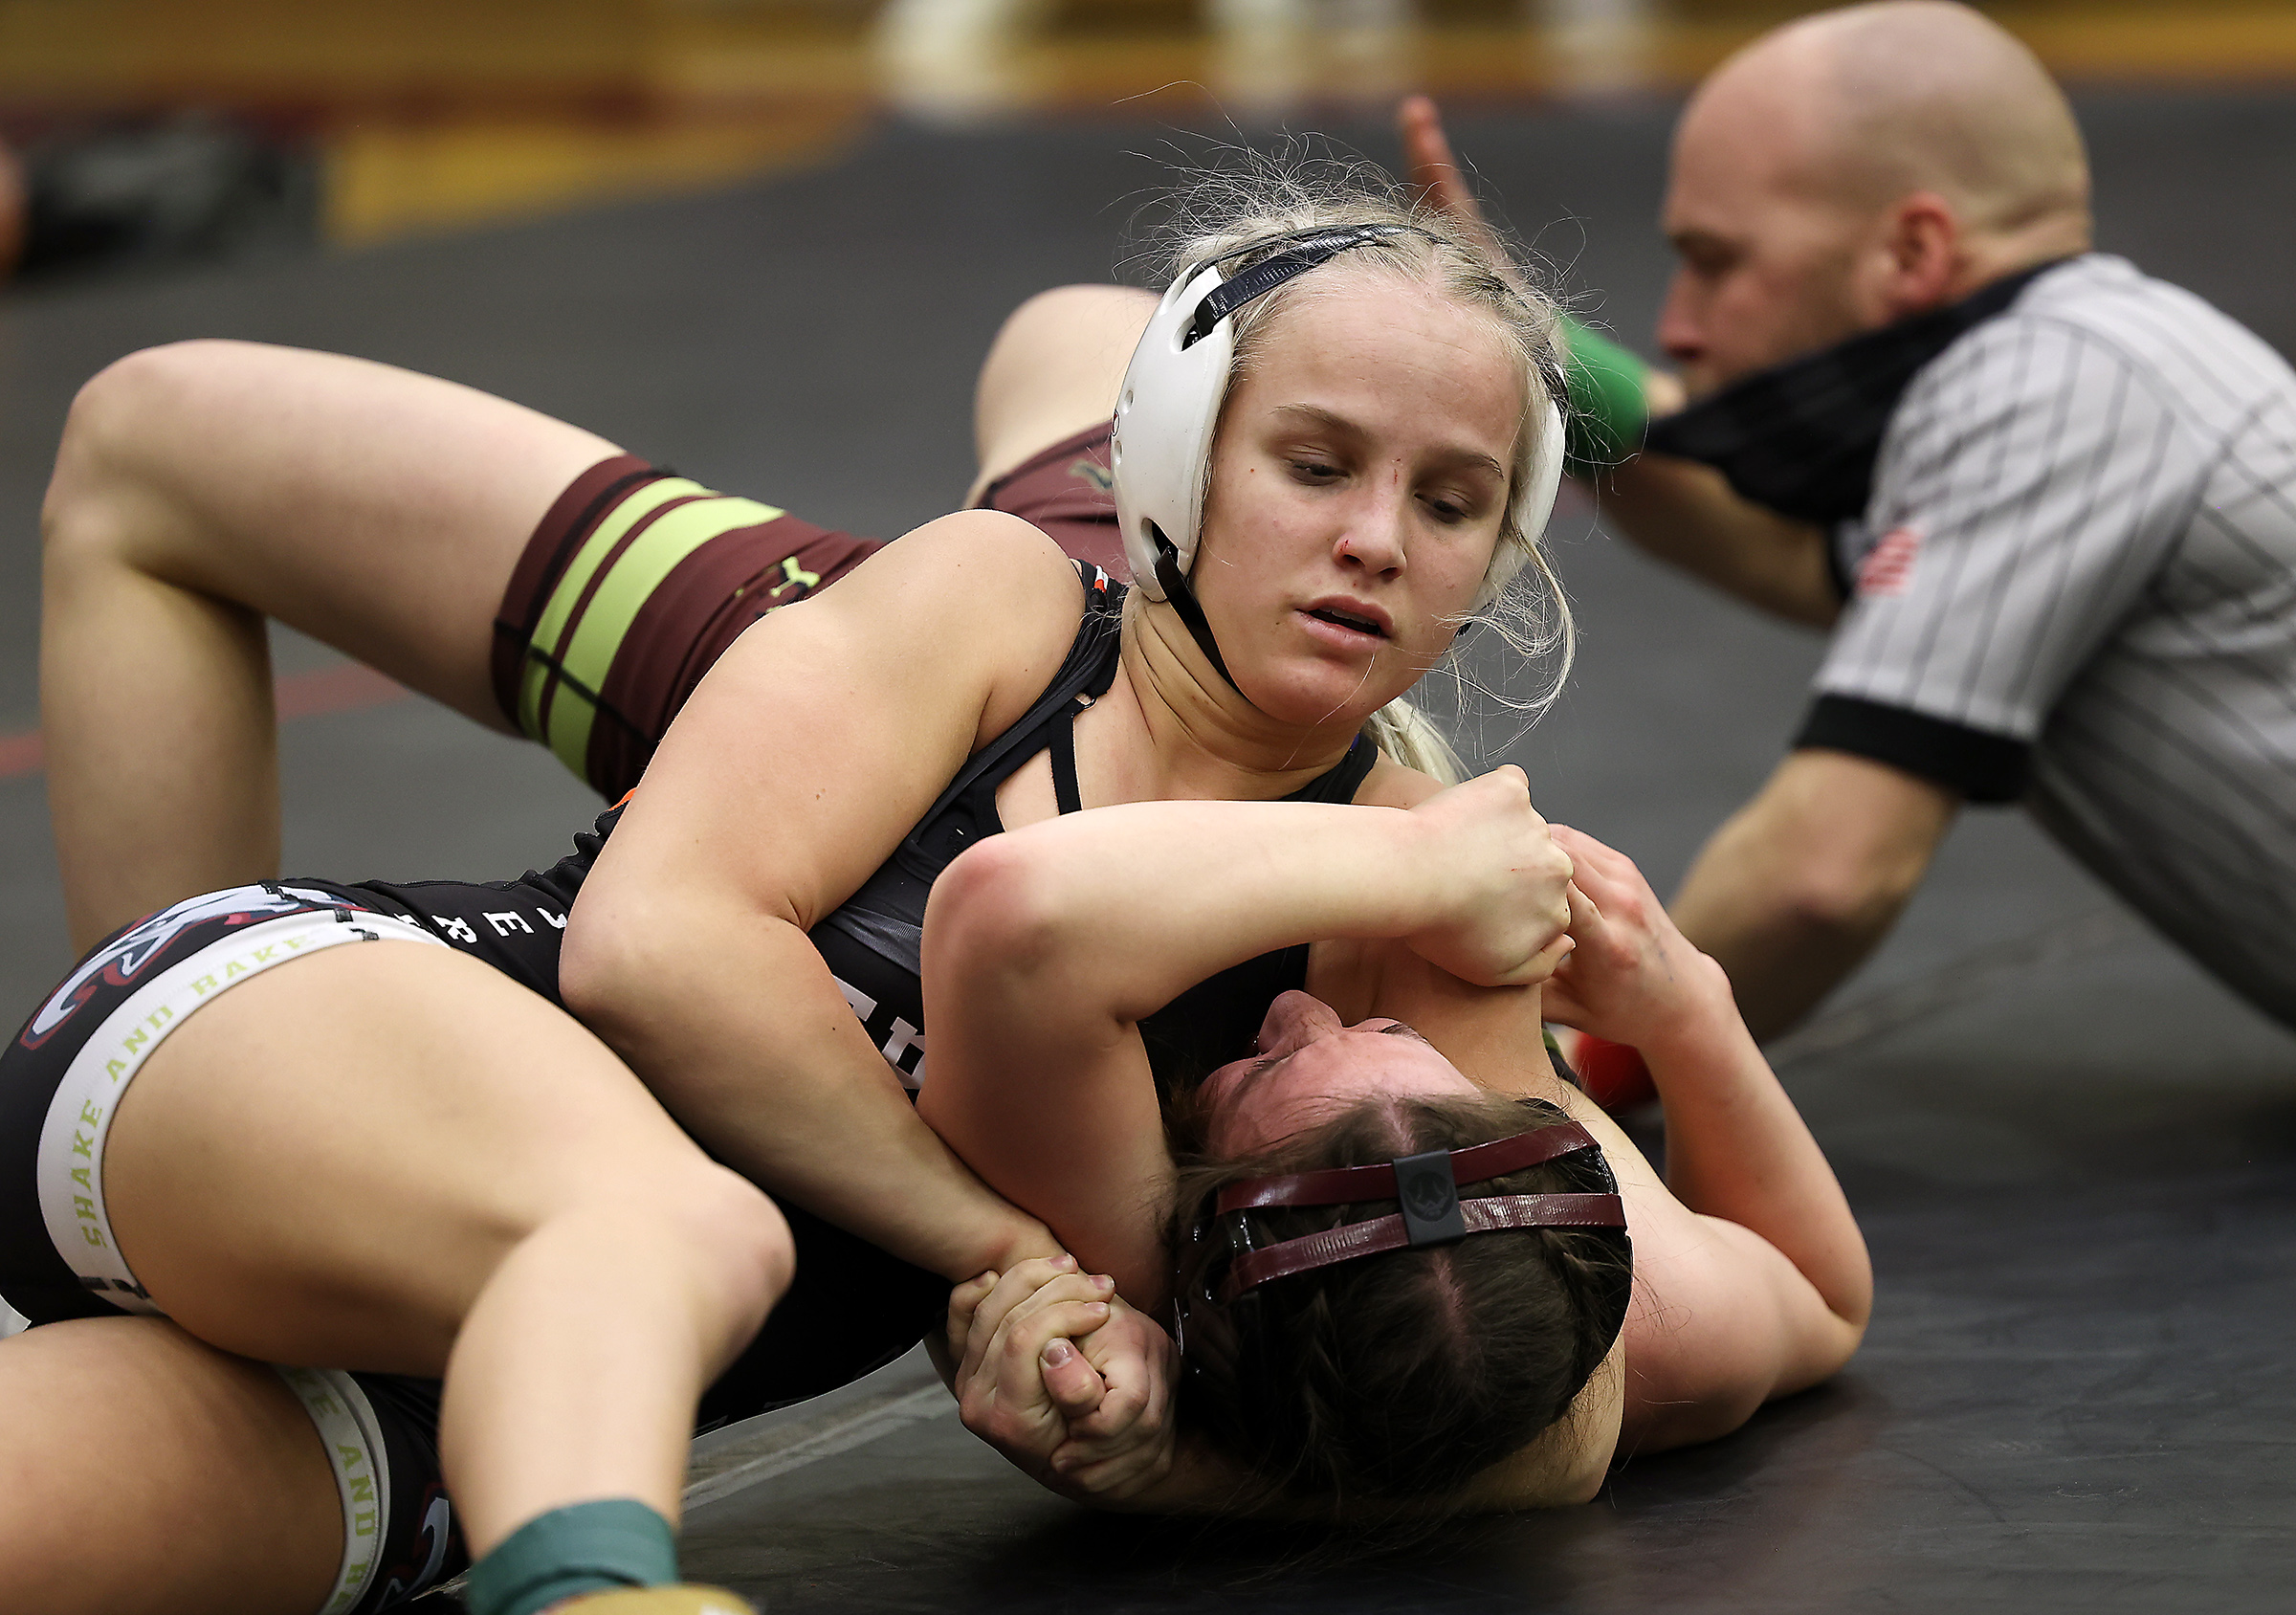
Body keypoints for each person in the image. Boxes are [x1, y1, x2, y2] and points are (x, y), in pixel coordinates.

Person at [4, 171, 1632, 1612]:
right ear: (1178, 461)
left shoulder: (1414, 906)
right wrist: (997, 1243)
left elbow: (1564, 1422)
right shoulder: (1011, 618)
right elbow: (658, 947)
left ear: (1500, 553)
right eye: (1316, 465)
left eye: (1446, 502)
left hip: (427, 1408)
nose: (1374, 541)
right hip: (299, 1027)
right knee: (664, 1218)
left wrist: (1176, 1462)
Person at [1404, 1, 2296, 1097]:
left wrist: (1552, 1082)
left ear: (1915, 250)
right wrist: (1529, 351)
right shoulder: (2085, 356)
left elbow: (1821, 878)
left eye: (1717, 262)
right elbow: (1787, 553)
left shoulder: (2056, 389)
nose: (1678, 323)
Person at [920, 772, 1870, 1511]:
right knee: (1454, 932)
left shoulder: (1118, 1319)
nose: (1296, 1007)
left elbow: (1009, 915)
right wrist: (1687, 1007)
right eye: (1398, 1039)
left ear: (1194, 1255)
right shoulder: (1666, 1329)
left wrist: (1174, 1464)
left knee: (1450, 865)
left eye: (1255, 1064)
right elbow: (1826, 1299)